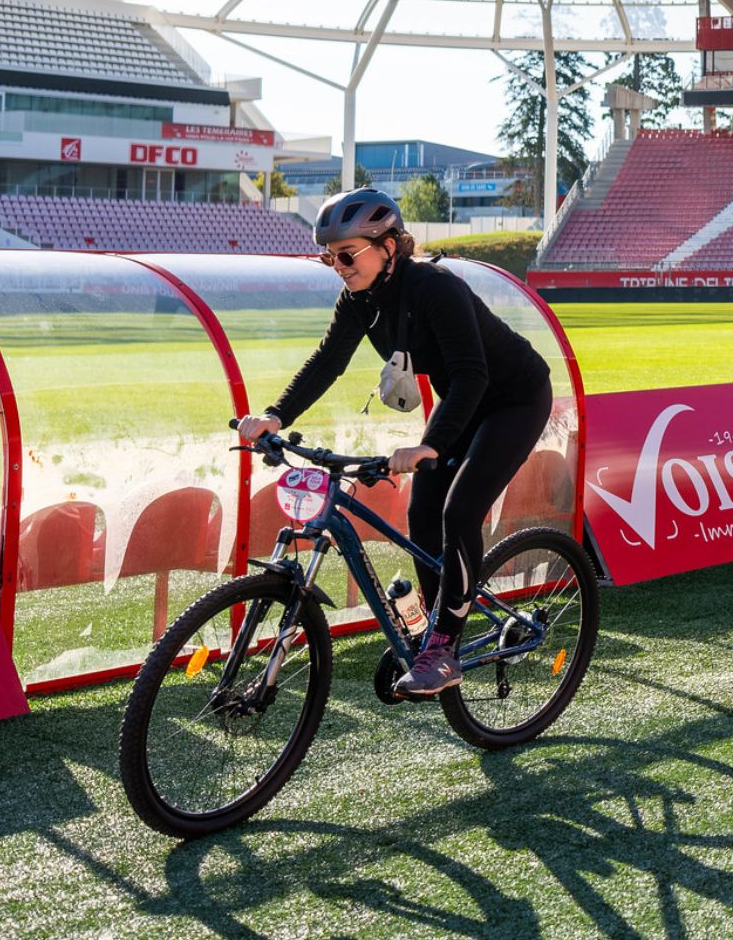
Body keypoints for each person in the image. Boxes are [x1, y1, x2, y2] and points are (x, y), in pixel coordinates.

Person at [235, 189, 557, 696]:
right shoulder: (359, 300)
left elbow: (472, 374)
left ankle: (444, 646)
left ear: (388, 245)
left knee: (458, 510)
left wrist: (430, 445)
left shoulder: (435, 287)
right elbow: (327, 360)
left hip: (514, 398)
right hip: (465, 404)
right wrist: (276, 414)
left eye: (346, 254)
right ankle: (435, 632)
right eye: (329, 256)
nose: (337, 265)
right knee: (421, 511)